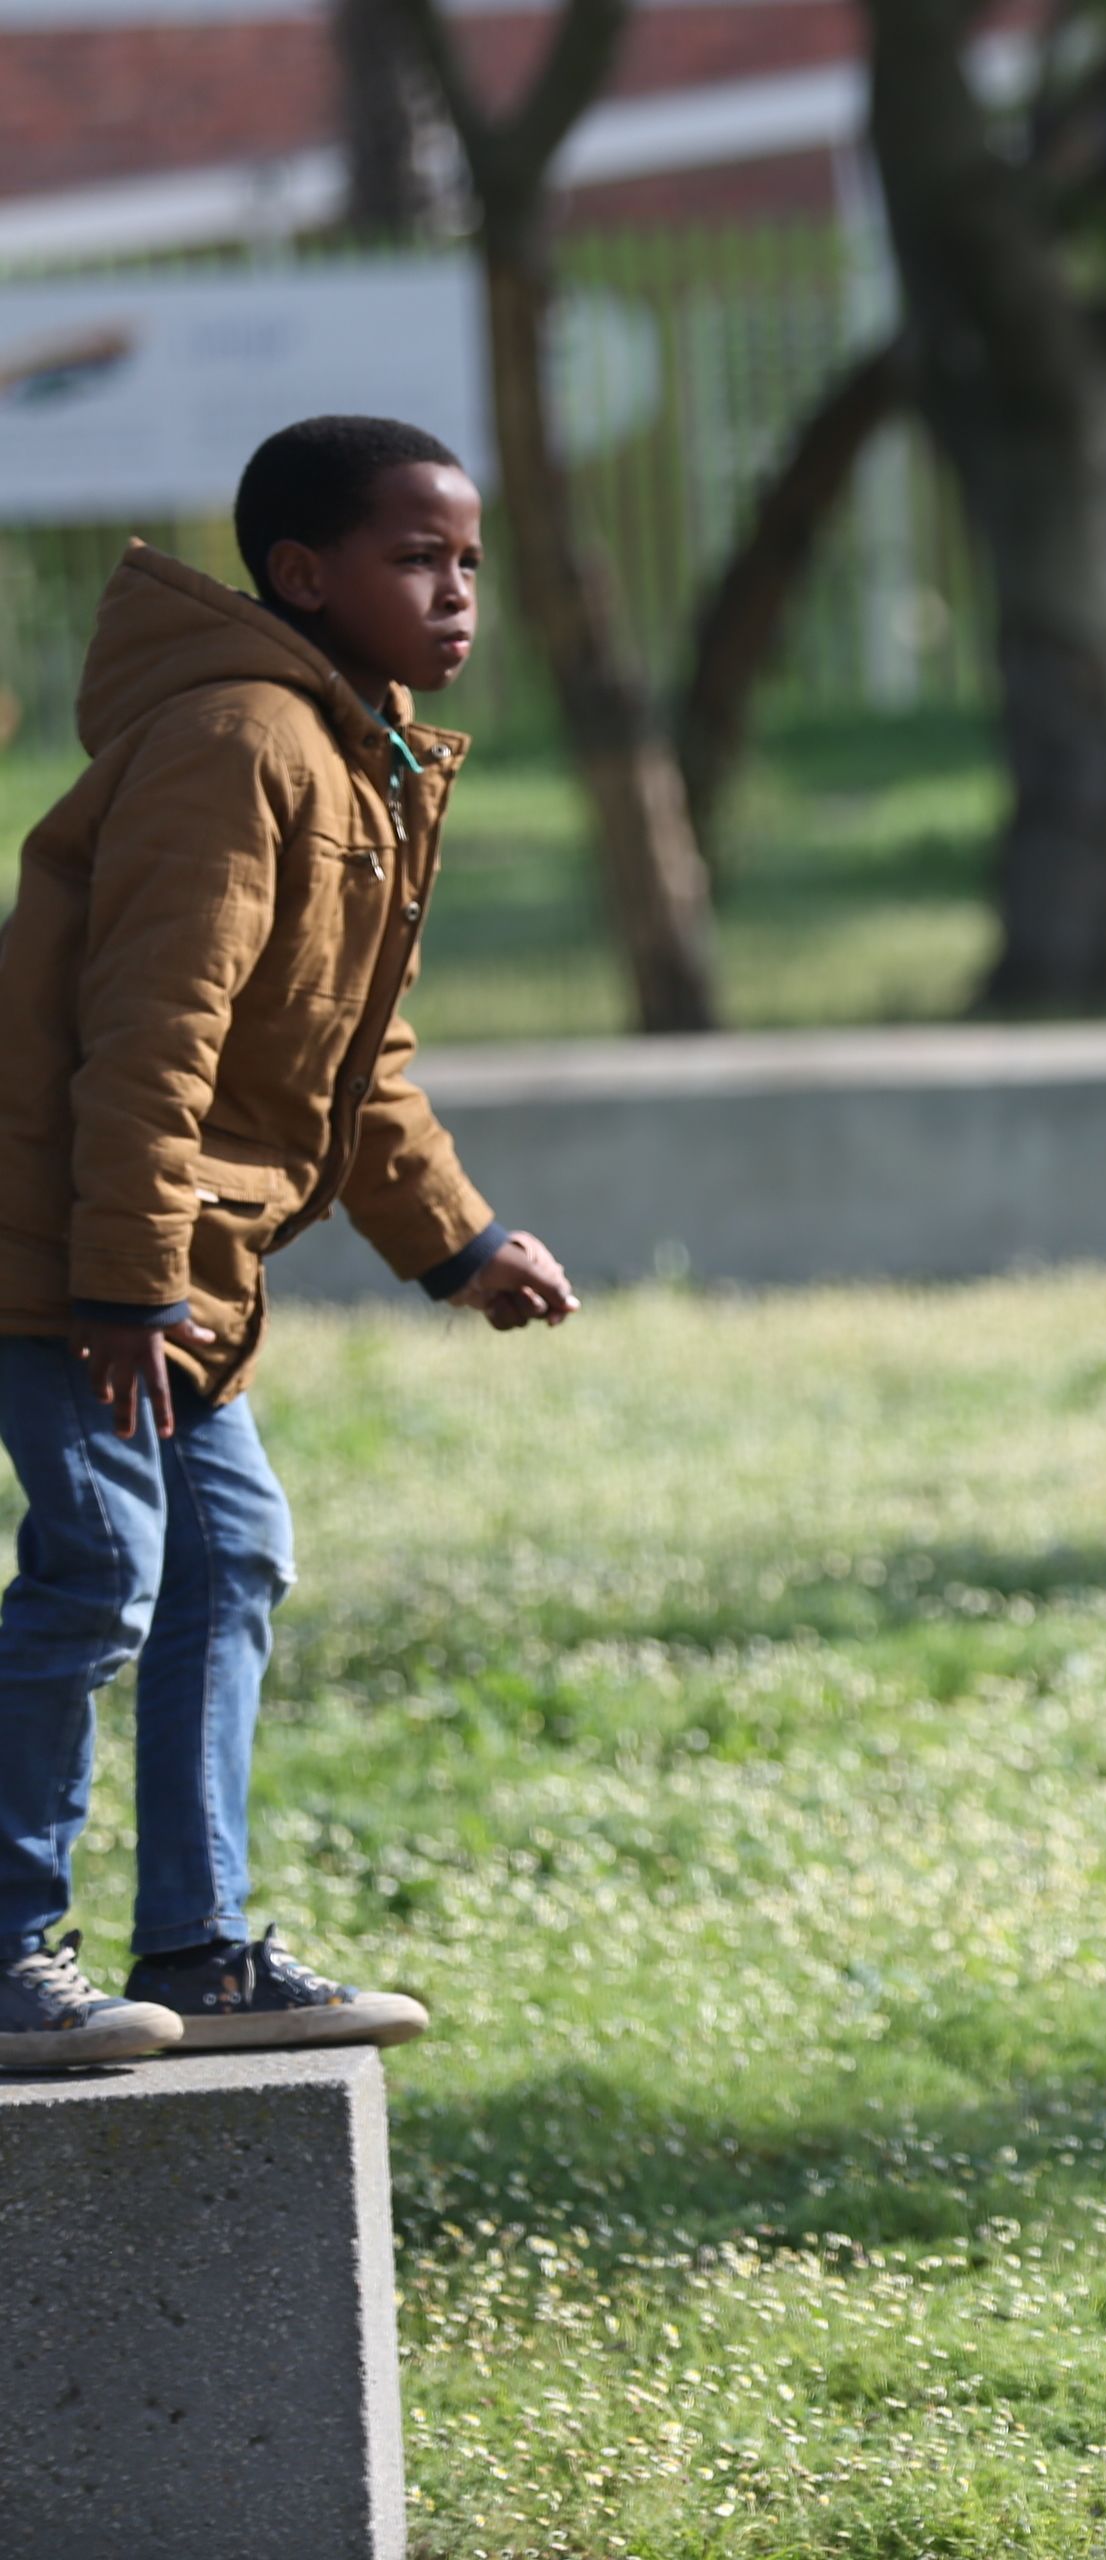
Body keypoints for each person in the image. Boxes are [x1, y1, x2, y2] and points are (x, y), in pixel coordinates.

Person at [0, 416, 578, 2069]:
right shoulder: (238, 742)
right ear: (305, 574)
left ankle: (198, 1949)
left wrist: (460, 1242)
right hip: (72, 1244)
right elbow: (152, 1031)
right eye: (418, 558)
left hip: (168, 1258)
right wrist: (123, 1280)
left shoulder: (357, 755)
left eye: (470, 561)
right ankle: (5, 1945)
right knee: (101, 1570)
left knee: (231, 1555)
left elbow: (351, 1056)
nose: (457, 592)